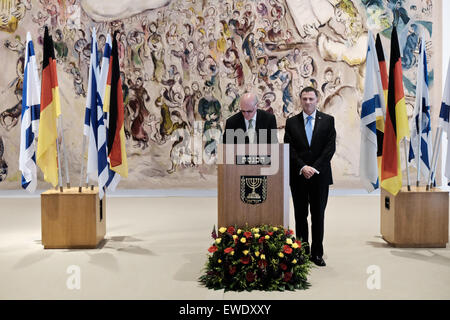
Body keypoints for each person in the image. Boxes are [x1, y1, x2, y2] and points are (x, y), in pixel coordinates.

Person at [284, 87, 336, 267]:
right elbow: (289, 148)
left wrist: (314, 168)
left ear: (317, 99)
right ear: (300, 100)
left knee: (318, 216)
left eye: (311, 99)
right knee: (300, 215)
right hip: (298, 176)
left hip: (320, 177)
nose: (307, 102)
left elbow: (330, 148)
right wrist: (303, 167)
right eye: (304, 99)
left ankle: (317, 253)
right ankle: (301, 251)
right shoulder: (291, 123)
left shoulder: (328, 121)